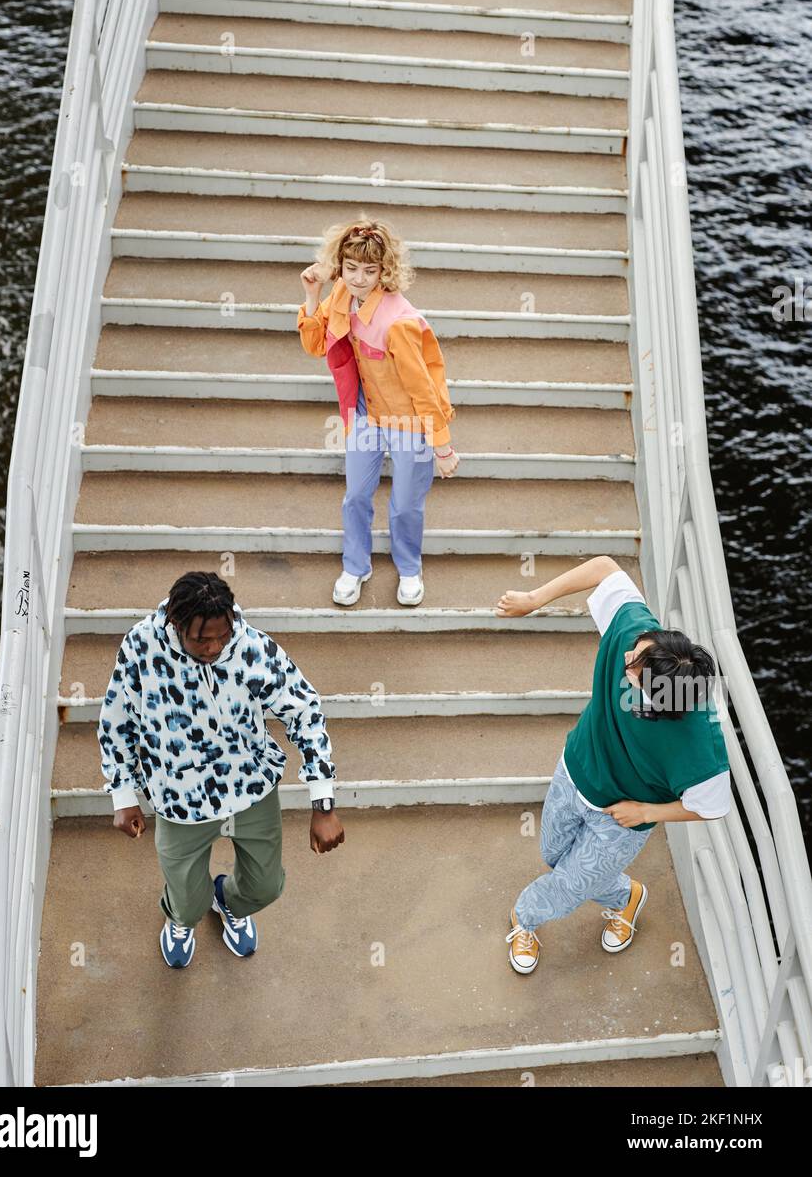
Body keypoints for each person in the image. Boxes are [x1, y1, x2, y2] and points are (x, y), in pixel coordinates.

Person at [495, 555, 730, 975]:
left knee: (568, 884)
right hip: (577, 768)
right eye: (636, 654)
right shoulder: (639, 636)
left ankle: (524, 918)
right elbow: (604, 566)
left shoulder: (700, 741)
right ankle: (626, 897)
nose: (625, 659)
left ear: (663, 703)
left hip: (622, 817)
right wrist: (535, 597)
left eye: (635, 670)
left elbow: (711, 805)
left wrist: (647, 813)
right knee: (555, 856)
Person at [97, 571, 344, 969]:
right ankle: (182, 918)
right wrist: (123, 795)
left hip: (250, 789)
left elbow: (304, 710)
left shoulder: (253, 648)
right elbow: (116, 721)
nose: (214, 647)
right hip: (179, 800)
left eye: (222, 636)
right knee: (187, 904)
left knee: (266, 887)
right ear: (176, 625)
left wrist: (324, 801)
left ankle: (228, 901)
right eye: (202, 640)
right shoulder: (141, 647)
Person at [297, 213, 458, 608]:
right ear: (340, 267)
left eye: (369, 270)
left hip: (409, 420)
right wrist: (312, 295)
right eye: (350, 268)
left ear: (385, 271)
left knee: (405, 502)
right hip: (366, 412)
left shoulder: (399, 322)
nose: (358, 278)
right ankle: (356, 565)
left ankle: (408, 567)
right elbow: (316, 346)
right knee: (355, 495)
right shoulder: (340, 296)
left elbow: (422, 388)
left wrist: (442, 445)